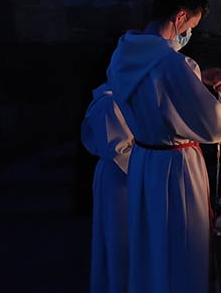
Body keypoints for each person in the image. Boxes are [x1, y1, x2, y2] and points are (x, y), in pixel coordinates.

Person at [106, 0, 221, 293]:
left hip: (143, 160)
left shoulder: (125, 53)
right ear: (179, 17)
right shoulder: (173, 63)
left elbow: (156, 95)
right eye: (191, 26)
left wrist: (196, 78)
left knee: (151, 243)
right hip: (176, 167)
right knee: (182, 244)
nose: (188, 34)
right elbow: (212, 125)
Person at [81, 83, 134, 293]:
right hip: (120, 180)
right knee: (119, 240)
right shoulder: (109, 103)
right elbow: (118, 149)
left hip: (128, 176)